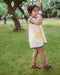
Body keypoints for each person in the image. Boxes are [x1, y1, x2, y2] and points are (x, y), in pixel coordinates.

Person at [27, 4, 52, 71]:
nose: (37, 12)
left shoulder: (35, 18)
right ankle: (44, 66)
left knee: (36, 52)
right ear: (30, 13)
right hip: (36, 39)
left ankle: (33, 64)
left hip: (36, 38)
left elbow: (40, 22)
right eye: (34, 11)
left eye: (37, 10)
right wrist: (39, 16)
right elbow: (38, 22)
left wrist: (38, 17)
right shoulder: (31, 19)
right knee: (41, 51)